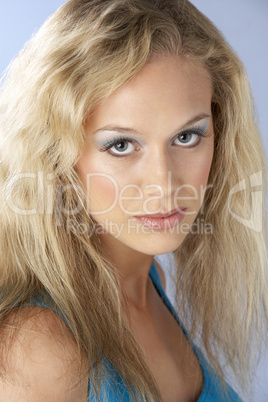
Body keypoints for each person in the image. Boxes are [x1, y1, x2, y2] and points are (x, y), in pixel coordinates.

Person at [0, 0, 267, 400]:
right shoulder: (36, 349)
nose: (164, 185)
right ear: (54, 154)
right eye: (121, 144)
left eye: (186, 136)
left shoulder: (148, 279)